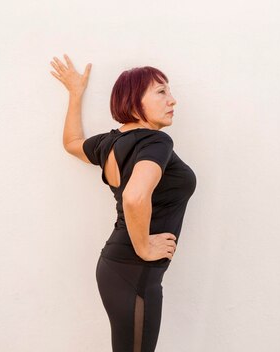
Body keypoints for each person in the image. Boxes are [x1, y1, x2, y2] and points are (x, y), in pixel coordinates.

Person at [50, 54, 197, 351]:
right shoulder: (156, 142)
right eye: (161, 91)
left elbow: (71, 143)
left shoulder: (109, 142)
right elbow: (134, 196)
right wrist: (145, 247)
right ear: (134, 101)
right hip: (135, 269)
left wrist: (75, 94)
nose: (172, 100)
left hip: (116, 267)